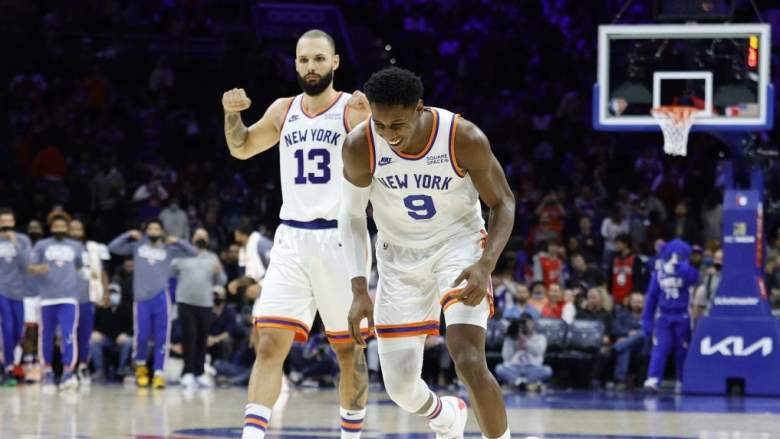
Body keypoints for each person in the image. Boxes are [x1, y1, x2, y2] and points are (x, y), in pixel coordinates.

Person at [339, 67, 515, 439]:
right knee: (401, 389)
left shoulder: (463, 137)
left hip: (458, 248)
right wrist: (358, 290)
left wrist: (485, 265)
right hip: (397, 257)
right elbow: (352, 217)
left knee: (468, 359)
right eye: (381, 125)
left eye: (398, 125)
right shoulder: (359, 145)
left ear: (419, 108)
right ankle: (446, 415)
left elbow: (503, 203)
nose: (390, 135)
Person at [222, 29, 372, 439]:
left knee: (348, 350)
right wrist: (232, 114)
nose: (311, 67)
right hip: (291, 238)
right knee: (269, 344)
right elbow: (242, 147)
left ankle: (351, 436)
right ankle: (252, 435)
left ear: (335, 62)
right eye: (304, 60)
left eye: (319, 59)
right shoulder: (283, 110)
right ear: (295, 64)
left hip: (341, 239)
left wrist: (374, 120)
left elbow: (393, 150)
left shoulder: (352, 109)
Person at [108, 219, 197, 388]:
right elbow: (113, 247)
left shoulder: (169, 249)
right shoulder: (137, 246)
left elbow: (193, 252)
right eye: (150, 228)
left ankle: (158, 373)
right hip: (142, 299)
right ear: (146, 231)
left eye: (157, 228)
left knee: (162, 337)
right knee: (141, 336)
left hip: (161, 298)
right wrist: (128, 235)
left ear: (162, 232)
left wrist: (177, 240)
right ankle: (140, 368)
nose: (154, 231)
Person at [28, 212, 86, 391]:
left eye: (62, 226)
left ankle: (68, 372)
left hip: (68, 298)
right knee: (46, 336)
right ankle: (47, 373)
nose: (59, 229)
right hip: (47, 299)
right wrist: (39, 268)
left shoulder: (76, 246)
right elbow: (30, 269)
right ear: (51, 228)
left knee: (68, 334)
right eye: (56, 226)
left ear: (67, 228)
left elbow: (80, 267)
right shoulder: (41, 245)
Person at [171, 228, 226, 389]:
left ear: (207, 240)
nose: (201, 238)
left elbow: (222, 281)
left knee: (202, 338)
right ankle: (187, 372)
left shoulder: (213, 258)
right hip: (185, 302)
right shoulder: (182, 255)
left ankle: (200, 373)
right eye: (198, 235)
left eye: (204, 235)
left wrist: (218, 273)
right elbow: (170, 271)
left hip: (205, 304)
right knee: (189, 337)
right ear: (192, 238)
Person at [642, 239, 699, 392]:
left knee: (682, 350)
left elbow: (694, 278)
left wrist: (681, 267)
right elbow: (652, 297)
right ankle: (653, 379)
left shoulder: (688, 270)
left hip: (683, 316)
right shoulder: (659, 273)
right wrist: (646, 319)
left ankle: (682, 380)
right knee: (660, 348)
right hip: (663, 316)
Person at [68, 218, 110, 385]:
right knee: (67, 335)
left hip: (87, 297)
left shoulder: (92, 249)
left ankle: (83, 366)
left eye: (78, 229)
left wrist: (105, 292)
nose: (75, 232)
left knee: (85, 335)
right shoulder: (63, 249)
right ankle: (68, 368)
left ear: (83, 232)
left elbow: (102, 272)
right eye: (72, 229)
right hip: (66, 298)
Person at [0, 208, 32, 386]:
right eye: (2, 221)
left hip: (19, 293)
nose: (5, 224)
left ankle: (10, 363)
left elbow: (27, 264)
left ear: (13, 222)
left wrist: (15, 244)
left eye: (8, 221)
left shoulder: (23, 240)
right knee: (7, 326)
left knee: (18, 331)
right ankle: (8, 368)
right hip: (1, 290)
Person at [495, 313, 552, 390]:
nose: (525, 326)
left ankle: (516, 383)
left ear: (533, 322)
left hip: (533, 367)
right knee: (499, 368)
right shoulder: (512, 337)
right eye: (522, 323)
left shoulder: (540, 338)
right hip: (514, 367)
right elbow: (506, 357)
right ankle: (528, 384)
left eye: (526, 322)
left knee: (547, 370)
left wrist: (525, 341)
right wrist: (510, 338)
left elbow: (539, 352)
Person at [611, 292, 646, 390]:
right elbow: (615, 329)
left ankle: (618, 346)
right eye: (634, 302)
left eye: (640, 302)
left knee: (642, 333)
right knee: (625, 349)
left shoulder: (649, 316)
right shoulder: (622, 315)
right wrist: (627, 334)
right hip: (628, 345)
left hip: (643, 346)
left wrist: (628, 338)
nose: (637, 304)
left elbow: (651, 331)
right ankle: (620, 380)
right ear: (629, 302)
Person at [609, 234, 647, 307]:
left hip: (629, 299)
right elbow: (610, 278)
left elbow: (637, 281)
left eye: (618, 243)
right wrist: (610, 294)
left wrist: (631, 296)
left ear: (626, 244)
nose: (616, 245)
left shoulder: (636, 260)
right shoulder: (613, 259)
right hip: (615, 297)